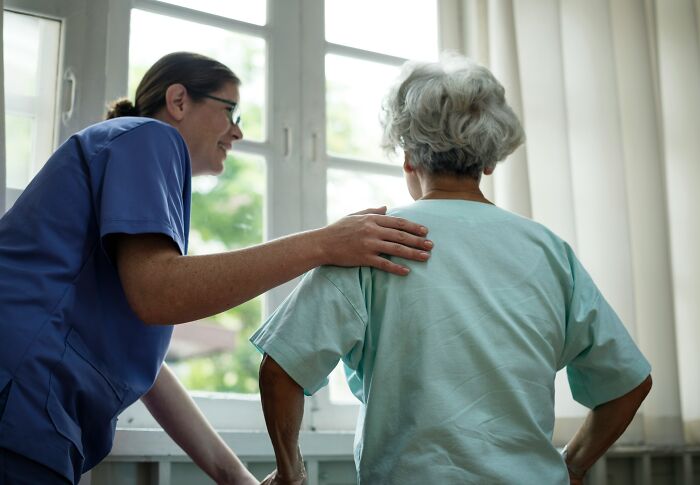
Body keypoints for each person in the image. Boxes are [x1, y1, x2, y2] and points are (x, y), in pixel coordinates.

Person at [0, 52, 434, 485]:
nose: (238, 131)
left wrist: (237, 480)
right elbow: (160, 292)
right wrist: (325, 242)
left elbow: (149, 372)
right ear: (179, 101)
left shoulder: (133, 168)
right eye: (231, 111)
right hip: (21, 394)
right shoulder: (147, 137)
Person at [251, 54, 652, 484]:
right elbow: (630, 383)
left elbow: (280, 372)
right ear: (490, 160)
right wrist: (571, 466)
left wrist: (290, 472)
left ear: (408, 156)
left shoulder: (373, 243)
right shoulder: (550, 251)